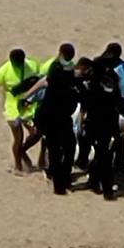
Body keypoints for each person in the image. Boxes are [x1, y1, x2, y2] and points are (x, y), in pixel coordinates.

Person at [0, 49, 41, 174]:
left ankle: (23, 152)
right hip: (12, 107)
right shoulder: (4, 70)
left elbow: (39, 81)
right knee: (18, 137)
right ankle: (18, 166)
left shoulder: (32, 65)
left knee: (36, 133)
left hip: (28, 106)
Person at [35, 63, 80, 195]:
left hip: (53, 122)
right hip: (58, 121)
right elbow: (71, 106)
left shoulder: (52, 88)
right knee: (65, 150)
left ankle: (59, 181)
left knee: (59, 151)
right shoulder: (66, 90)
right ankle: (61, 181)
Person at [82, 56, 121, 200]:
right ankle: (106, 189)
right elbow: (116, 102)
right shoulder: (105, 84)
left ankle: (94, 181)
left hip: (98, 125)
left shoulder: (93, 85)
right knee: (105, 157)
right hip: (104, 125)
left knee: (102, 155)